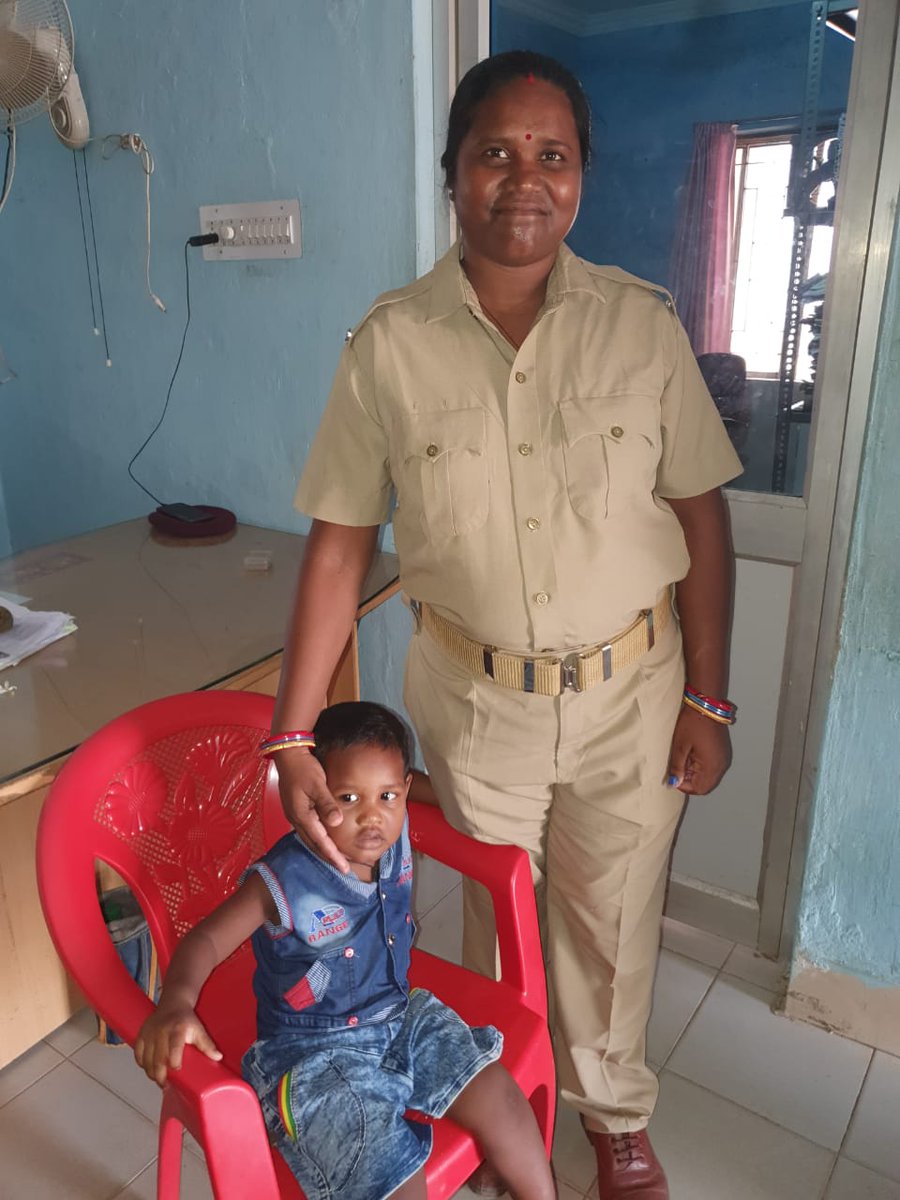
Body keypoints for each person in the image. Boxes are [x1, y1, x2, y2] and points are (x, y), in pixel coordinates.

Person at [271, 50, 743, 1200]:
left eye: (552, 156)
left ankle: (615, 1117)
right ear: (453, 174)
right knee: (505, 924)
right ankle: (510, 1098)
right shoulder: (389, 345)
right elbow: (339, 543)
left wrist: (711, 696)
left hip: (636, 695)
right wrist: (292, 737)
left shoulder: (640, 328)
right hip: (477, 703)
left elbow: (703, 516)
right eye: (496, 152)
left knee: (612, 925)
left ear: (579, 178)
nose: (523, 180)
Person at [134, 701, 556, 1200]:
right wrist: (176, 1002)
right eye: (348, 797)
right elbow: (204, 940)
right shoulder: (284, 878)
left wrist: (461, 798)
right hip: (315, 1057)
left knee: (499, 1096)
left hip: (401, 1016)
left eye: (387, 796)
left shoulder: (392, 835)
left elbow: (422, 788)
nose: (372, 817)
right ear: (311, 797)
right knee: (391, 1172)